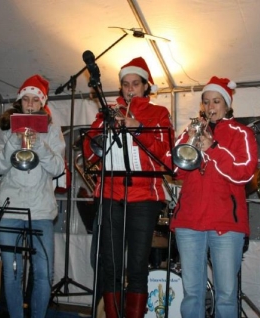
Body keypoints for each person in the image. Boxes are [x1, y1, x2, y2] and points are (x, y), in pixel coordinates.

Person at [83, 57, 173, 318]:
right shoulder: (106, 112)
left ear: (145, 86)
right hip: (111, 195)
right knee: (110, 265)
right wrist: (102, 131)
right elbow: (90, 153)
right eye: (125, 84)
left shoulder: (159, 114)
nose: (130, 89)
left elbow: (166, 156)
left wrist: (139, 127)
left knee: (136, 267)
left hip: (144, 197)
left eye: (135, 84)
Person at [169, 76, 258, 317]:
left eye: (216, 101)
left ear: (227, 105)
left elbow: (245, 173)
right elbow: (174, 170)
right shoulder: (193, 130)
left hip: (226, 225)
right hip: (189, 222)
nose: (210, 107)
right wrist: (188, 140)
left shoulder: (242, 133)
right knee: (192, 293)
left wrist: (215, 149)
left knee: (226, 296)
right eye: (206, 102)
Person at [0, 74, 65, 318]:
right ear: (20, 103)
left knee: (44, 272)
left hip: (41, 209)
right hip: (10, 207)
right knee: (12, 272)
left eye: (36, 100)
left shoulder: (53, 131)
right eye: (26, 100)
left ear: (42, 104)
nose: (31, 104)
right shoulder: (5, 131)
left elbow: (57, 168)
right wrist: (15, 140)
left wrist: (40, 146)